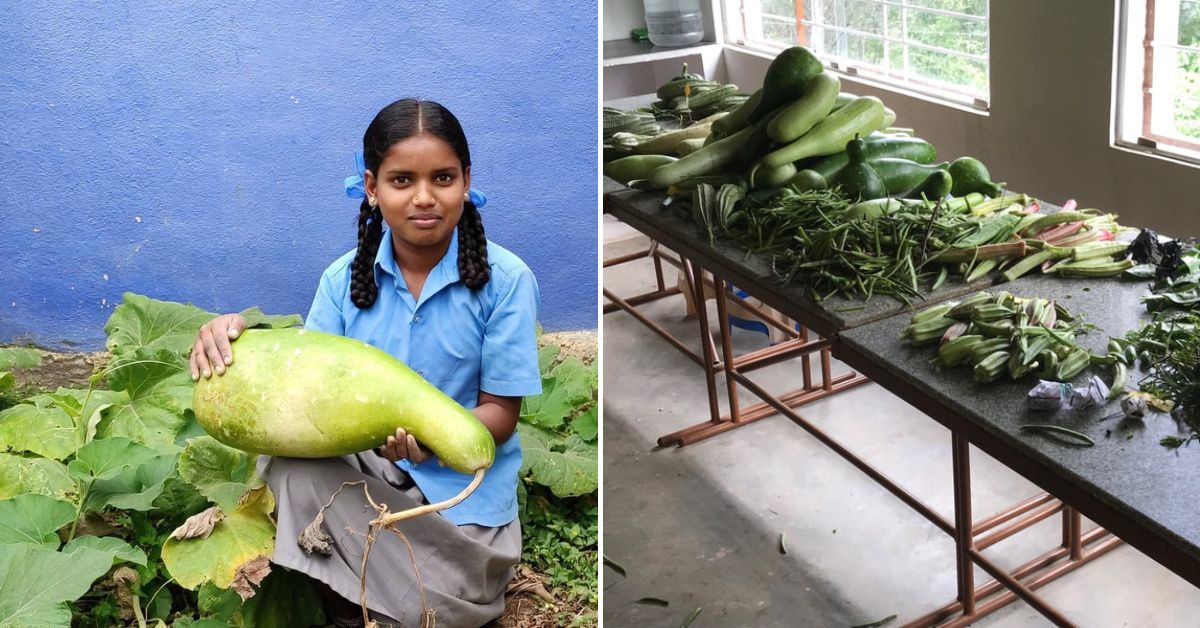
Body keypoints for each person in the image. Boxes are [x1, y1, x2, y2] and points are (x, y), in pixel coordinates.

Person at [188, 98, 542, 628]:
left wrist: (433, 435)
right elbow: (300, 390)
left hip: (462, 502)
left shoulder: (507, 280)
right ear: (373, 189)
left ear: (466, 182)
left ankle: (382, 595)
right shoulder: (341, 280)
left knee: (451, 587)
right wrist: (236, 342)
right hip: (368, 472)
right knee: (287, 468)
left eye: (442, 177)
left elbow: (500, 414)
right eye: (402, 181)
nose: (424, 197)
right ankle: (357, 606)